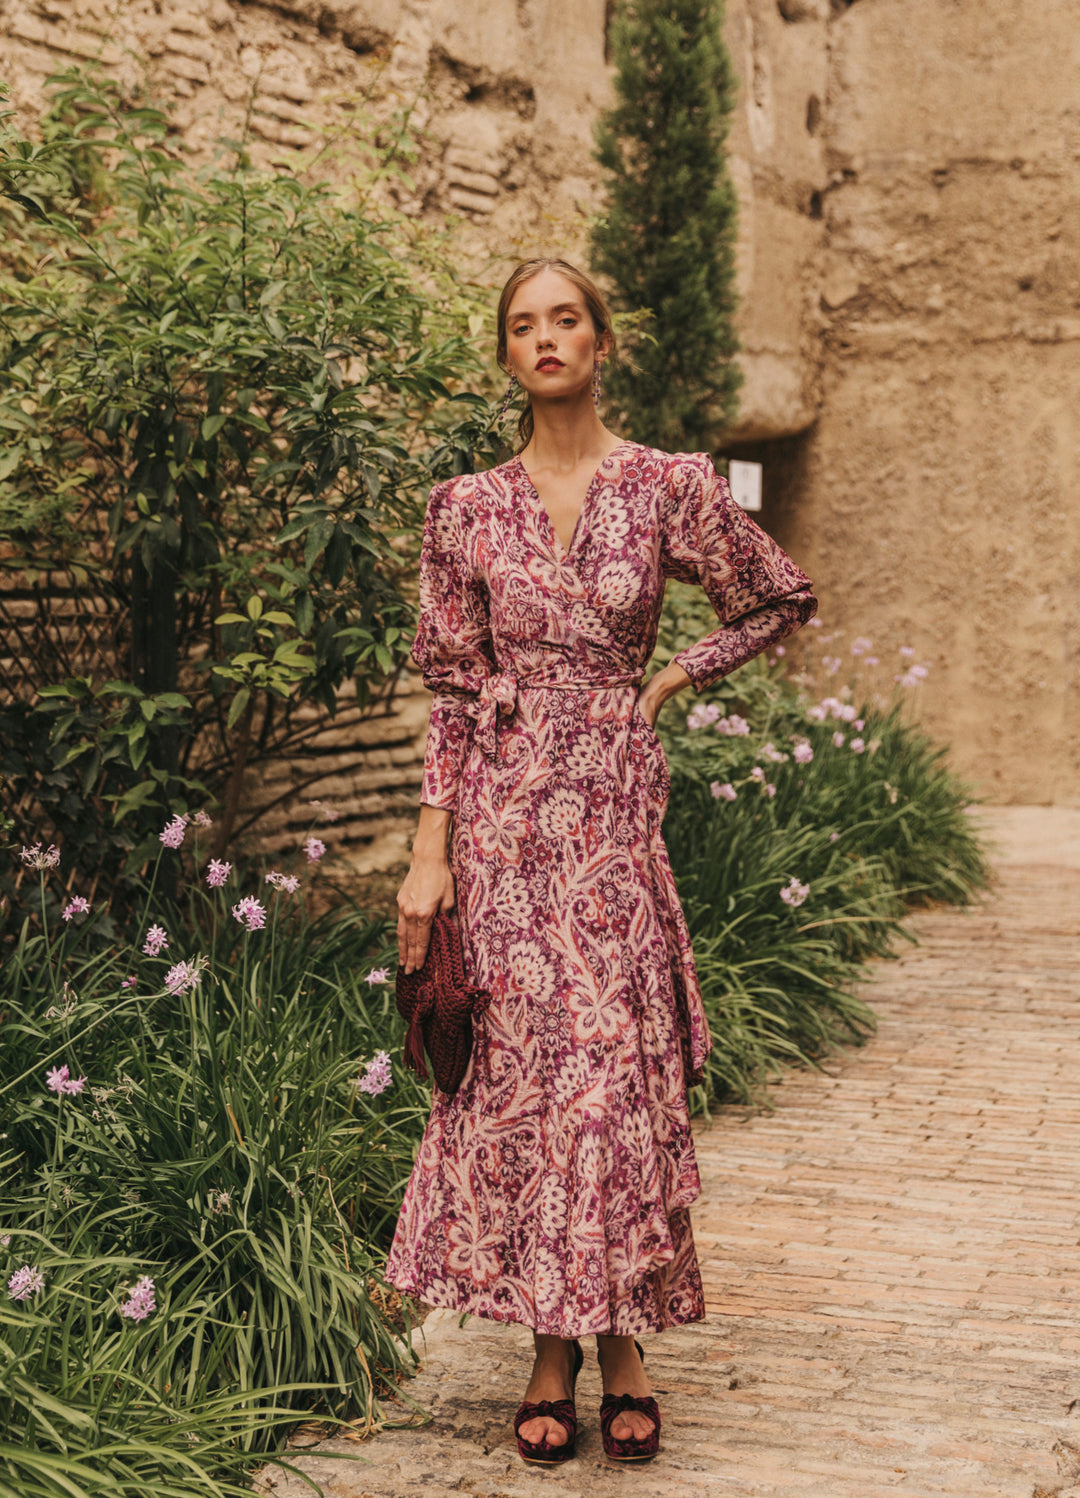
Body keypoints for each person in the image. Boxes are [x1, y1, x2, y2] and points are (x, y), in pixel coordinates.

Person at [386, 256, 817, 1464]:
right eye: (523, 326)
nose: (545, 339)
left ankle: (621, 1338)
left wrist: (672, 677)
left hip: (615, 819)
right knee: (527, 1078)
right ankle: (549, 1346)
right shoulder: (462, 507)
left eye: (565, 318)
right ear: (508, 355)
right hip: (504, 822)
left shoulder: (666, 485)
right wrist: (433, 857)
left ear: (600, 340)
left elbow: (774, 597)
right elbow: (455, 694)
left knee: (613, 1076)